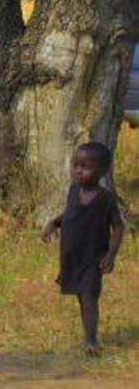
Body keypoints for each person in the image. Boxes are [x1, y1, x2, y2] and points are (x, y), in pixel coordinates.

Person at [41, 142, 124, 357]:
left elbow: (118, 226)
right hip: (71, 255)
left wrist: (111, 255)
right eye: (75, 165)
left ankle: (91, 341)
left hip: (93, 257)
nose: (78, 170)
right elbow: (69, 214)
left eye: (85, 166)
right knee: (82, 296)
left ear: (102, 171)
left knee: (89, 296)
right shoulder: (74, 190)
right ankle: (88, 335)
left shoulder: (105, 198)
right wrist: (54, 223)